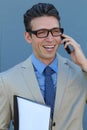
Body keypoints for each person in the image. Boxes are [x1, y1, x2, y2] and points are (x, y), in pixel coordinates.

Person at [0, 2, 87, 130]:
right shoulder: (6, 81)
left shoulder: (81, 74)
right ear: (28, 37)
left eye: (55, 31)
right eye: (42, 32)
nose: (50, 39)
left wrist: (84, 64)